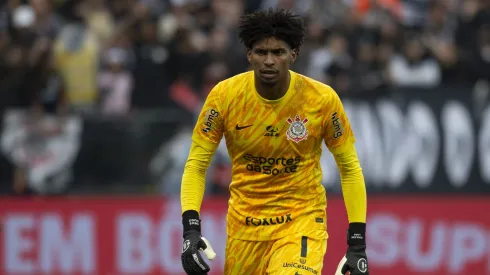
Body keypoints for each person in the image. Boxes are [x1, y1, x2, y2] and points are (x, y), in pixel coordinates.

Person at [180, 8, 369, 275]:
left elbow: (349, 168)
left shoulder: (321, 100)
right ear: (249, 55)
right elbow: (196, 166)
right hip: (244, 229)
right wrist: (190, 229)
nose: (269, 61)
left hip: (301, 220)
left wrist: (357, 244)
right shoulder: (224, 97)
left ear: (293, 55)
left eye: (278, 52)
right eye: (261, 52)